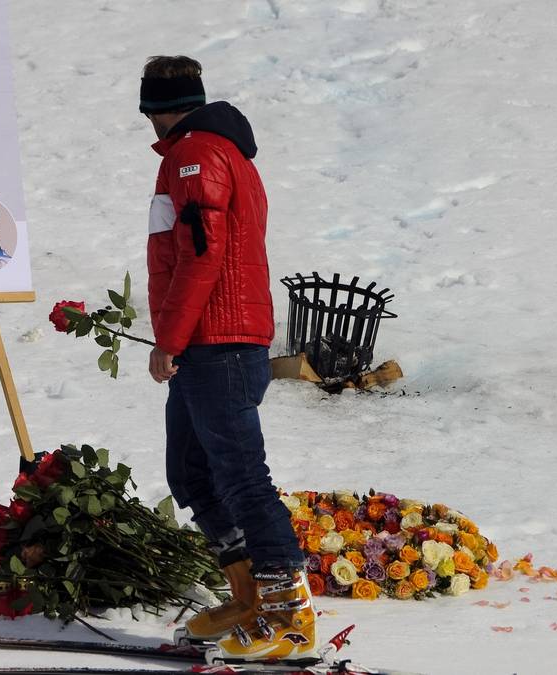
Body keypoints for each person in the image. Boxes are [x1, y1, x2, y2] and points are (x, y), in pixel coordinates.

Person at [141, 55, 313, 663]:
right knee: (191, 474)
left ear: (157, 109)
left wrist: (169, 339)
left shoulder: (196, 155)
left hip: (218, 342)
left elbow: (201, 255)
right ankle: (249, 597)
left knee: (241, 478)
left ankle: (289, 615)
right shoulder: (210, 153)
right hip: (208, 342)